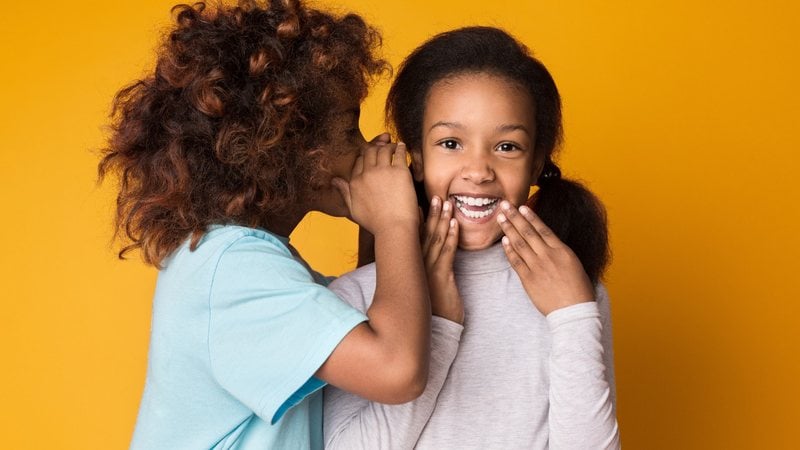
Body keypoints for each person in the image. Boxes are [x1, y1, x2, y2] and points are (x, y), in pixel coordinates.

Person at [98, 1, 432, 448]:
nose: (370, 146)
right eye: (349, 130)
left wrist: (374, 223)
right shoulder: (234, 270)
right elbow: (396, 370)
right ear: (283, 145)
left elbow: (375, 317)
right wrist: (393, 222)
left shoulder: (239, 259)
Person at [323, 26, 620, 449]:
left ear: (536, 164)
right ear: (418, 158)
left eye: (507, 147)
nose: (478, 170)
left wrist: (574, 316)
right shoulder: (353, 296)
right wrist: (438, 327)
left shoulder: (573, 291)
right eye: (450, 143)